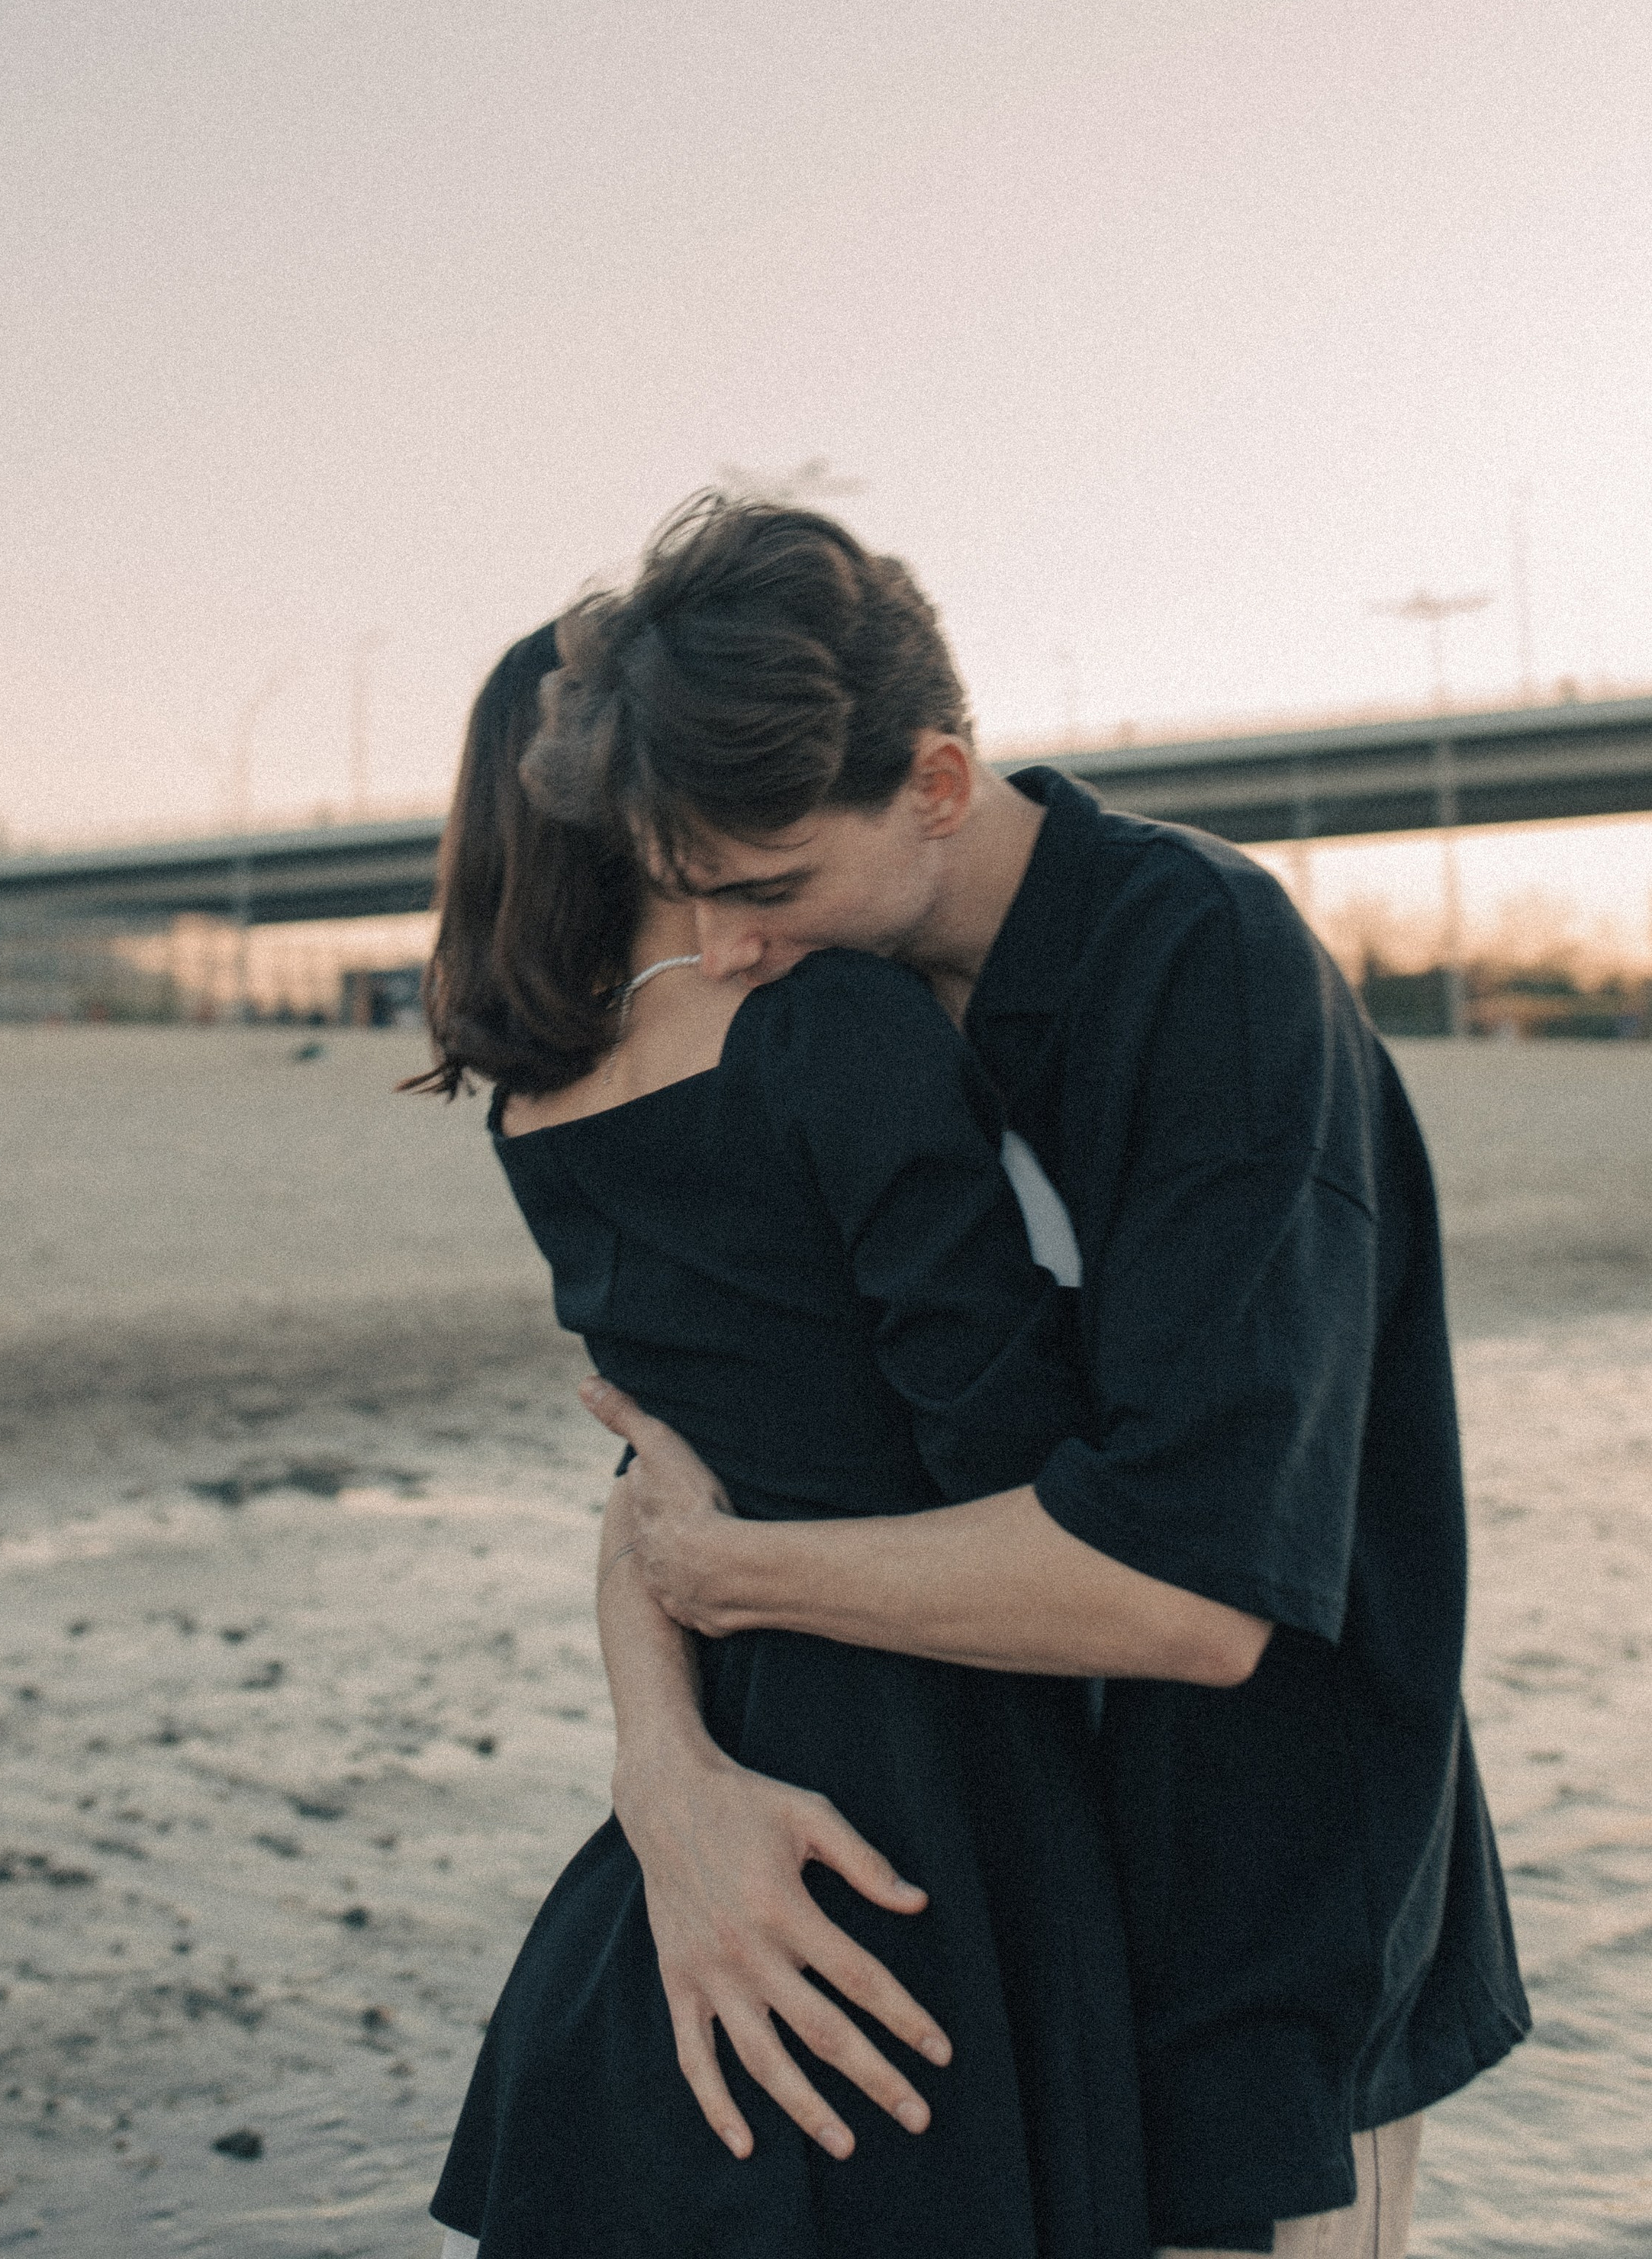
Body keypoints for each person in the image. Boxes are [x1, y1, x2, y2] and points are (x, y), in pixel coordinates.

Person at [520, 495, 1531, 2259]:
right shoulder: (849, 1027)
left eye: (766, 889)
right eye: (692, 899)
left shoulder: (1201, 975)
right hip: (997, 1919)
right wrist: (663, 1778)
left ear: (932, 779)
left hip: (1256, 1927)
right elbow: (677, 1461)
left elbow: (1190, 1592)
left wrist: (738, 1575)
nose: (732, 951)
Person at [412, 625, 1153, 2259]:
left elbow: (658, 1448)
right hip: (931, 1720)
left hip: (730, 1697)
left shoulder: (535, 1103)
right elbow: (995, 1439)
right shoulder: (828, 1027)